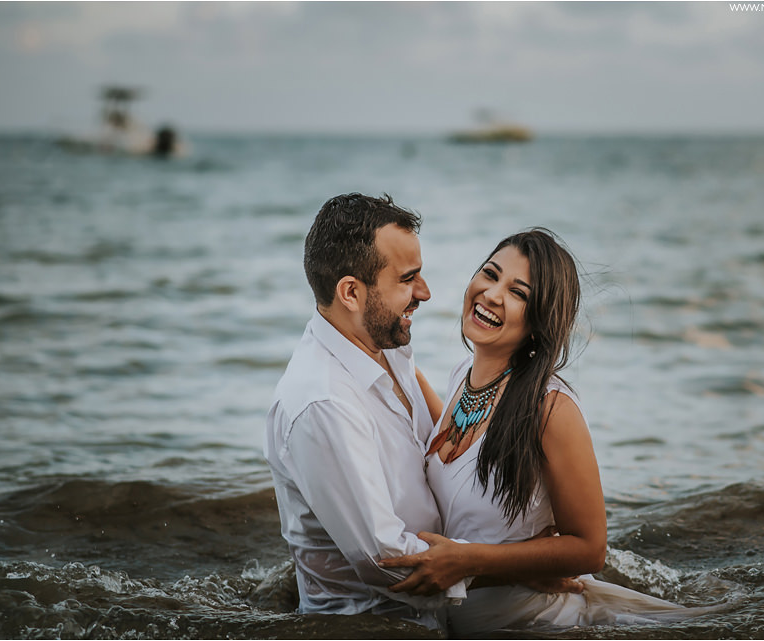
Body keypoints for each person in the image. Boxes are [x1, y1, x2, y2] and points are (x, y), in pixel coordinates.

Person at [263, 195, 580, 631]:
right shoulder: (325, 404)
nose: (426, 292)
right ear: (351, 293)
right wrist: (515, 568)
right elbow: (387, 561)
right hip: (377, 630)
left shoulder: (389, 353)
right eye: (408, 278)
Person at [380, 229, 713, 635]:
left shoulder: (550, 408)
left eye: (518, 293)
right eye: (490, 274)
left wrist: (473, 563)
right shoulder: (461, 381)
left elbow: (589, 548)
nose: (492, 294)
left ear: (540, 322)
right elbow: (449, 450)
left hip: (540, 627)